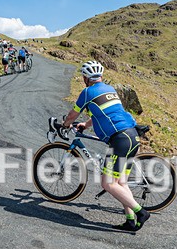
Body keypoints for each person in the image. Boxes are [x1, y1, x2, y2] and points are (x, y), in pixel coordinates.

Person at [55, 60, 150, 232]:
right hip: (131, 136)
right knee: (121, 182)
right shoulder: (109, 89)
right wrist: (86, 124)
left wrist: (65, 125)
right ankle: (130, 220)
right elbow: (105, 112)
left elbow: (72, 115)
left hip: (119, 140)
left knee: (108, 184)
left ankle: (140, 212)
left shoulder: (87, 92)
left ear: (85, 78)